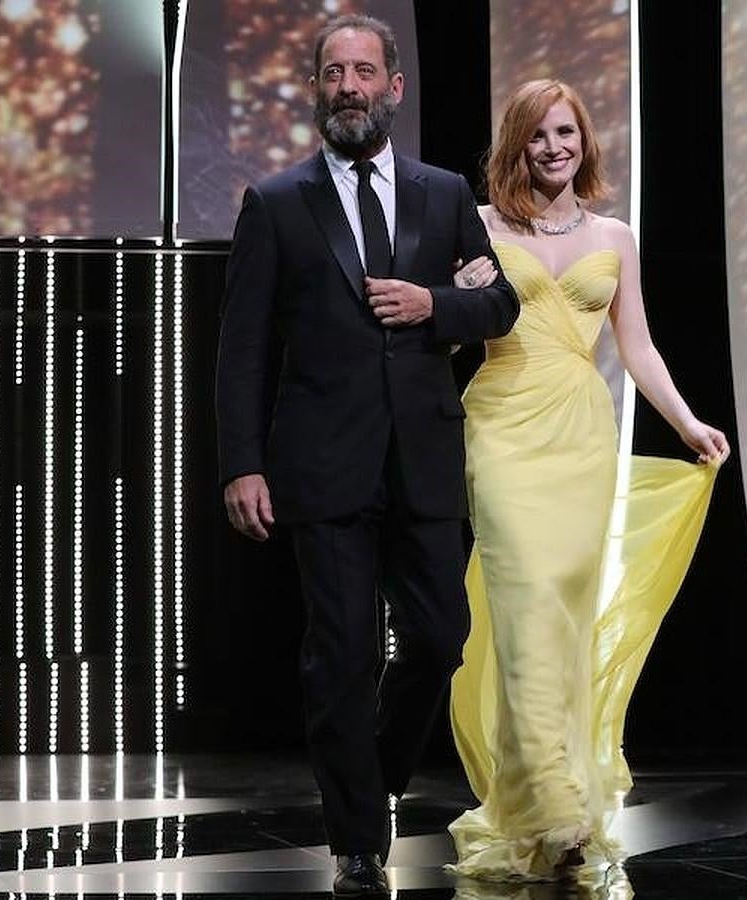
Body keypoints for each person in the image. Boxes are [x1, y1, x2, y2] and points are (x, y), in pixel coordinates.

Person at [214, 15, 518, 897]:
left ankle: (372, 776)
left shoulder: (442, 192)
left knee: (440, 637)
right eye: (333, 72)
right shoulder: (275, 202)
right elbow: (241, 348)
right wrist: (242, 462)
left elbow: (499, 304)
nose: (348, 85)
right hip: (322, 465)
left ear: (395, 86)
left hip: (422, 459)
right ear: (317, 90)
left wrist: (433, 305)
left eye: (364, 71)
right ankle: (356, 839)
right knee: (341, 653)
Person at [446, 79, 731, 882]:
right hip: (501, 426)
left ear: (585, 141)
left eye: (565, 132)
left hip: (582, 435)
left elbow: (637, 347)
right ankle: (558, 807)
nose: (553, 148)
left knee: (563, 619)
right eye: (537, 135)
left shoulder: (617, 234)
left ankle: (541, 812)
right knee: (528, 600)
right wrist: (454, 297)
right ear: (516, 143)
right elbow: (444, 324)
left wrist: (686, 423)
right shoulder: (475, 227)